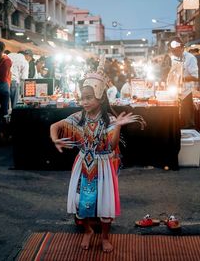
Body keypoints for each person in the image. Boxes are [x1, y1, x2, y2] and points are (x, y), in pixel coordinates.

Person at [50, 58, 145, 253]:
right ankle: (87, 231)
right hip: (83, 164)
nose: (83, 102)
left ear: (101, 98)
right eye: (82, 98)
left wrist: (117, 126)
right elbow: (55, 126)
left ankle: (104, 236)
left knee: (104, 202)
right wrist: (55, 140)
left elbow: (111, 145)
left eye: (88, 98)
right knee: (80, 201)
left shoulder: (109, 119)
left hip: (103, 165)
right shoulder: (79, 116)